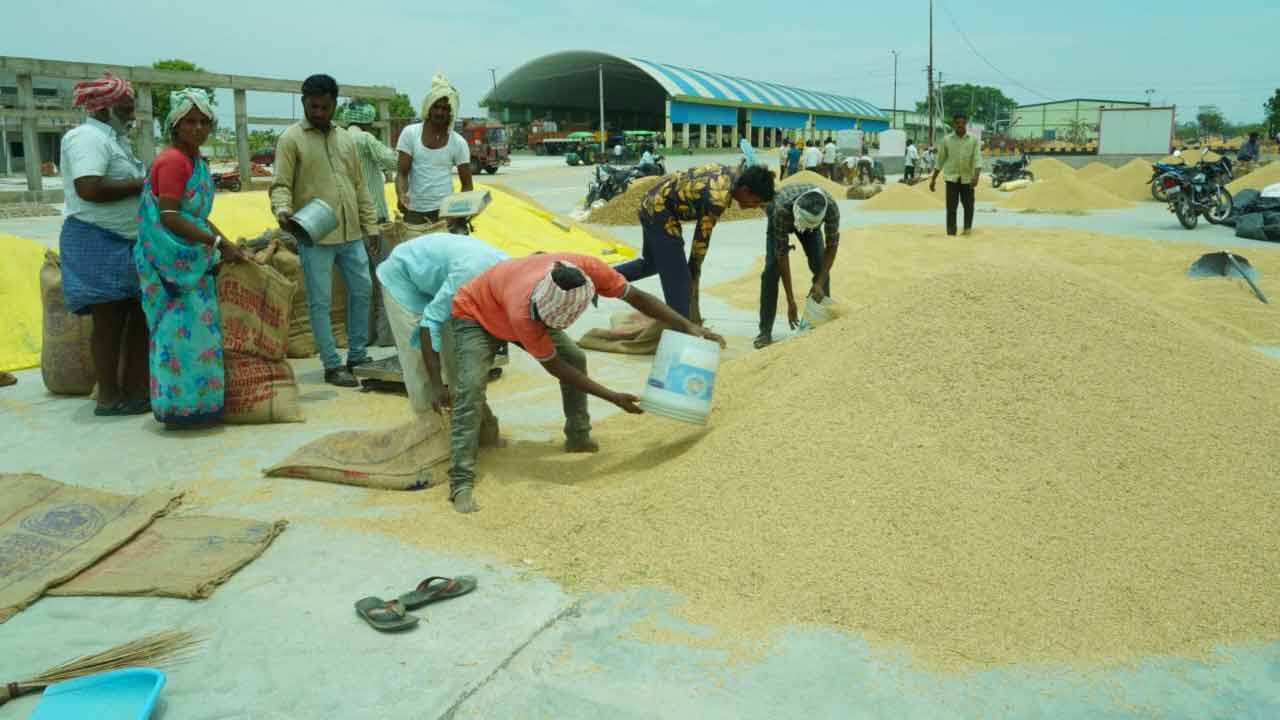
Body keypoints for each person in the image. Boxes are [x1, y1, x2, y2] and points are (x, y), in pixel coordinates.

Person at [445, 253, 726, 513]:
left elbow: (637, 297)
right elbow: (558, 368)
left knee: (576, 357)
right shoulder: (524, 312)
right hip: (476, 314)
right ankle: (461, 481)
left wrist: (687, 325)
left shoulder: (588, 269)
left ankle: (578, 437)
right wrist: (612, 396)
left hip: (519, 309)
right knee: (470, 388)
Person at [134, 88, 256, 428]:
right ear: (175, 125)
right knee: (178, 338)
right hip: (171, 268)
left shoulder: (196, 162)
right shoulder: (172, 161)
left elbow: (197, 217)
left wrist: (227, 244)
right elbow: (170, 216)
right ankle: (180, 410)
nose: (198, 128)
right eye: (190, 121)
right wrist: (216, 243)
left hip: (194, 263)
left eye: (204, 122)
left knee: (200, 337)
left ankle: (202, 407)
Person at [271, 73, 379, 387]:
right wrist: (282, 210)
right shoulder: (290, 139)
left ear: (334, 105)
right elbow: (280, 185)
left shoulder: (345, 139)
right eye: (312, 106)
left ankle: (357, 355)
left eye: (324, 107)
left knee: (363, 291)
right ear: (303, 102)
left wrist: (370, 225)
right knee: (320, 301)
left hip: (352, 233)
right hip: (314, 235)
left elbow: (359, 186)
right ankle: (332, 365)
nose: (318, 112)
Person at [58, 72, 149, 416]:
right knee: (109, 322)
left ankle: (137, 393)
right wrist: (142, 184)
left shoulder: (115, 140)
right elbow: (89, 188)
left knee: (138, 316)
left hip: (126, 241)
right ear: (101, 108)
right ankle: (109, 397)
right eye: (125, 109)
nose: (131, 115)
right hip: (96, 239)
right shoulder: (86, 138)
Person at [377, 232, 505, 442]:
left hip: (439, 278)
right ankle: (431, 429)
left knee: (458, 354)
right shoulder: (468, 276)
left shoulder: (507, 269)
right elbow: (429, 324)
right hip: (403, 277)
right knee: (417, 356)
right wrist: (437, 384)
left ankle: (475, 423)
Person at [617, 163, 775, 321]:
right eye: (755, 201)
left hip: (651, 201)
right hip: (659, 211)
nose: (754, 207)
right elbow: (701, 240)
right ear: (745, 190)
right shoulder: (717, 198)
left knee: (652, 265)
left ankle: (603, 278)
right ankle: (680, 328)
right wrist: (693, 273)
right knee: (680, 280)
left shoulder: (734, 174)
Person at [343, 101, 401, 347]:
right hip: (373, 221)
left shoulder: (339, 139)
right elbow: (393, 161)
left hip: (349, 222)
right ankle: (386, 336)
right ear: (367, 120)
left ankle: (362, 336)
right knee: (386, 279)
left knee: (359, 283)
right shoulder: (365, 139)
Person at [754, 185, 840, 349]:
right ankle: (765, 332)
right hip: (783, 219)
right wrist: (790, 300)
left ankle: (823, 325)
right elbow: (781, 255)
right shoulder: (780, 210)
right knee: (771, 272)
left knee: (820, 266)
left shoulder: (831, 209)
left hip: (812, 227)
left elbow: (832, 246)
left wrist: (819, 283)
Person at [395, 74, 472, 230]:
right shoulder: (410, 133)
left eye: (445, 108)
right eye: (436, 107)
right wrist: (401, 195)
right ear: (428, 108)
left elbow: (467, 185)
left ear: (451, 113)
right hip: (414, 212)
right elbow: (402, 174)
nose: (439, 112)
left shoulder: (458, 142)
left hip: (445, 214)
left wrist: (456, 213)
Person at [929, 112, 983, 237]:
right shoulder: (946, 140)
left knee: (969, 206)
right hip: (951, 179)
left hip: (967, 179)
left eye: (963, 123)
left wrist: (976, 176)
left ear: (966, 124)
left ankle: (967, 230)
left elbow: (977, 159)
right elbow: (940, 160)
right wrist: (933, 179)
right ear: (954, 124)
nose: (960, 125)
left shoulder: (973, 140)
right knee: (951, 208)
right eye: (958, 123)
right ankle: (951, 233)